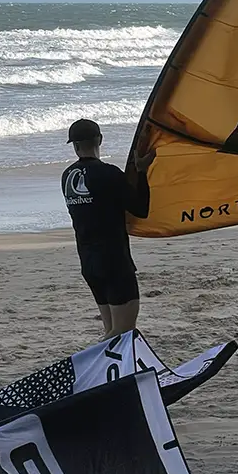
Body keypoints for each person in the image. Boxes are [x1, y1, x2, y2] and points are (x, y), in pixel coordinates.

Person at [61, 118, 156, 340]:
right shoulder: (110, 174)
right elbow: (140, 209)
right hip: (114, 261)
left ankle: (105, 361)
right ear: (100, 140)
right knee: (123, 333)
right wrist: (142, 172)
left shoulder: (67, 176)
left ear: (74, 145)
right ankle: (92, 359)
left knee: (111, 331)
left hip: (89, 263)